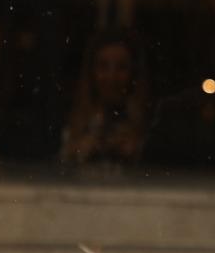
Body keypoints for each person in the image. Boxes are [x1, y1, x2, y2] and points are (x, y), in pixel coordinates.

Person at [60, 29, 149, 169]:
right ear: (91, 72)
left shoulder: (149, 122)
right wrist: (77, 151)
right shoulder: (70, 120)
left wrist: (139, 151)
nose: (111, 77)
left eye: (121, 67)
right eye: (103, 66)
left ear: (134, 73)